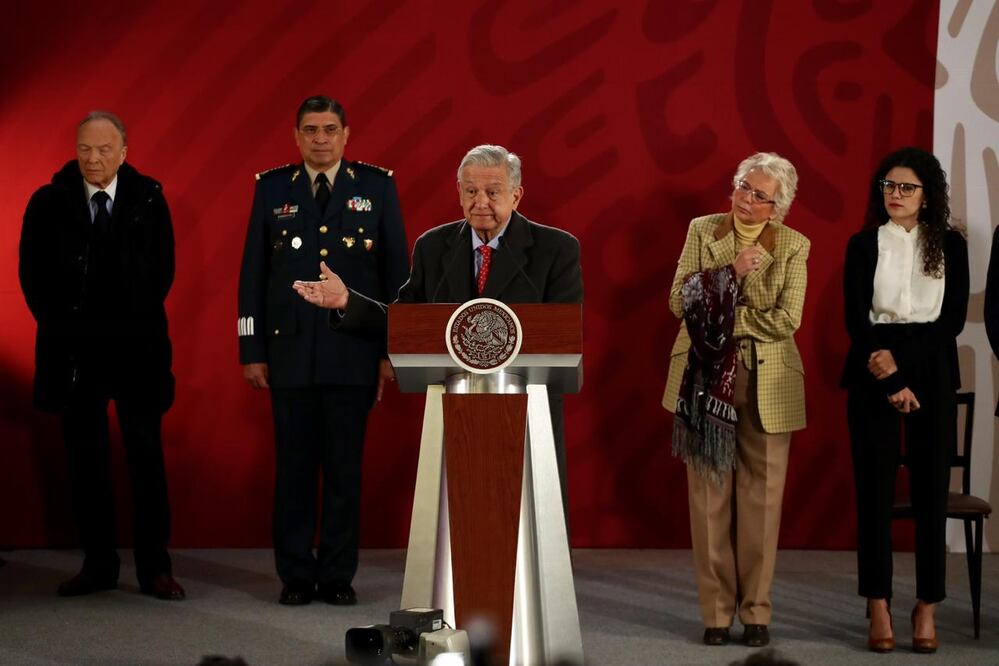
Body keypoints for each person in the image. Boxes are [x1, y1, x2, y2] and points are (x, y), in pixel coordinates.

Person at [291, 144, 583, 517]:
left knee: (528, 520)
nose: (480, 202)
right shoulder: (434, 247)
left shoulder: (556, 249)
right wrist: (348, 301)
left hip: (526, 412)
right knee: (457, 519)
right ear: (458, 192)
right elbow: (406, 323)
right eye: (471, 191)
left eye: (492, 192)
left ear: (516, 195)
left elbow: (562, 334)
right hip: (455, 410)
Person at [237, 96, 409, 606]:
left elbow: (397, 277)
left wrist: (391, 351)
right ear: (296, 136)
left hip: (353, 354)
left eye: (329, 129)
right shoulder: (272, 189)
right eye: (310, 130)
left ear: (346, 134)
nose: (320, 138)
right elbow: (252, 275)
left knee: (343, 473)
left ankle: (336, 575)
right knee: (293, 472)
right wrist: (251, 347)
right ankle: (295, 574)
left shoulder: (376, 187)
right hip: (288, 353)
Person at [18, 111, 184, 600]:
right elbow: (32, 277)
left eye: (104, 149)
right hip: (75, 355)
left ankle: (154, 568)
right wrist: (66, 326)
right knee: (85, 461)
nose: (93, 159)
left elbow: (163, 272)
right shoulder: (48, 202)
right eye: (85, 149)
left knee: (146, 458)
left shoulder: (149, 198)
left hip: (138, 351)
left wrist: (130, 319)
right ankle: (98, 564)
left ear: (124, 153)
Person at [662, 153, 808, 647]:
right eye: (744, 187)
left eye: (759, 195)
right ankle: (717, 614)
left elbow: (787, 319)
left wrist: (722, 316)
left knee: (762, 504)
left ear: (777, 207)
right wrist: (730, 271)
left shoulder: (793, 244)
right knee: (709, 500)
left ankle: (757, 612)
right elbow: (677, 302)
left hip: (770, 384)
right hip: (704, 381)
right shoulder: (703, 230)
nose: (746, 199)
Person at [842, 147, 968, 654]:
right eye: (889, 186)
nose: (895, 195)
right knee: (873, 493)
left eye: (906, 187)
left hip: (932, 370)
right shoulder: (863, 243)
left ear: (927, 195)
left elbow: (951, 319)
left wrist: (904, 365)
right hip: (873, 369)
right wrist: (889, 374)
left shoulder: (951, 244)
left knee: (931, 494)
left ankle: (927, 605)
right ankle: (877, 603)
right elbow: (856, 317)